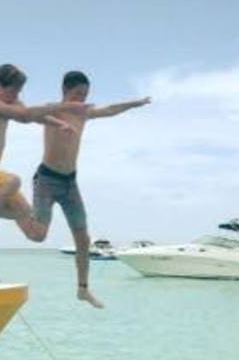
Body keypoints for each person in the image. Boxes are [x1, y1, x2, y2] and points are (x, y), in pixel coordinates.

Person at [28, 71, 151, 308]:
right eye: (78, 94)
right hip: (46, 180)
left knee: (83, 239)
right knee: (38, 234)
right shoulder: (52, 110)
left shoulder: (83, 113)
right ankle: (10, 206)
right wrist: (58, 113)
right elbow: (30, 114)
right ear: (65, 91)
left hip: (70, 183)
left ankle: (83, 289)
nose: (82, 100)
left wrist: (135, 103)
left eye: (85, 95)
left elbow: (110, 109)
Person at [0, 63, 86, 246]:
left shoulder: (10, 101)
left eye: (19, 92)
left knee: (26, 215)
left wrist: (60, 124)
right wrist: (64, 108)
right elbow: (24, 115)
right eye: (12, 91)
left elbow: (31, 116)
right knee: (13, 181)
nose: (16, 96)